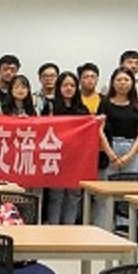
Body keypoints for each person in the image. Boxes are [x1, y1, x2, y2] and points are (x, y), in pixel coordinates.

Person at [95, 67, 138, 227]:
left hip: (131, 149)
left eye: (126, 80)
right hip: (108, 148)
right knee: (105, 193)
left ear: (132, 83)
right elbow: (99, 130)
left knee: (127, 193)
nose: (122, 83)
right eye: (118, 80)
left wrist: (130, 155)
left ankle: (124, 229)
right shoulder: (104, 103)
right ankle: (103, 228)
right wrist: (110, 153)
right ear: (112, 82)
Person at [47, 71, 89, 225]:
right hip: (55, 156)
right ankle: (53, 230)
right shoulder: (50, 107)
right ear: (59, 87)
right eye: (65, 85)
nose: (69, 88)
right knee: (56, 195)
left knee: (74, 195)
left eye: (72, 85)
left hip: (76, 158)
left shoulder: (83, 109)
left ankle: (69, 229)